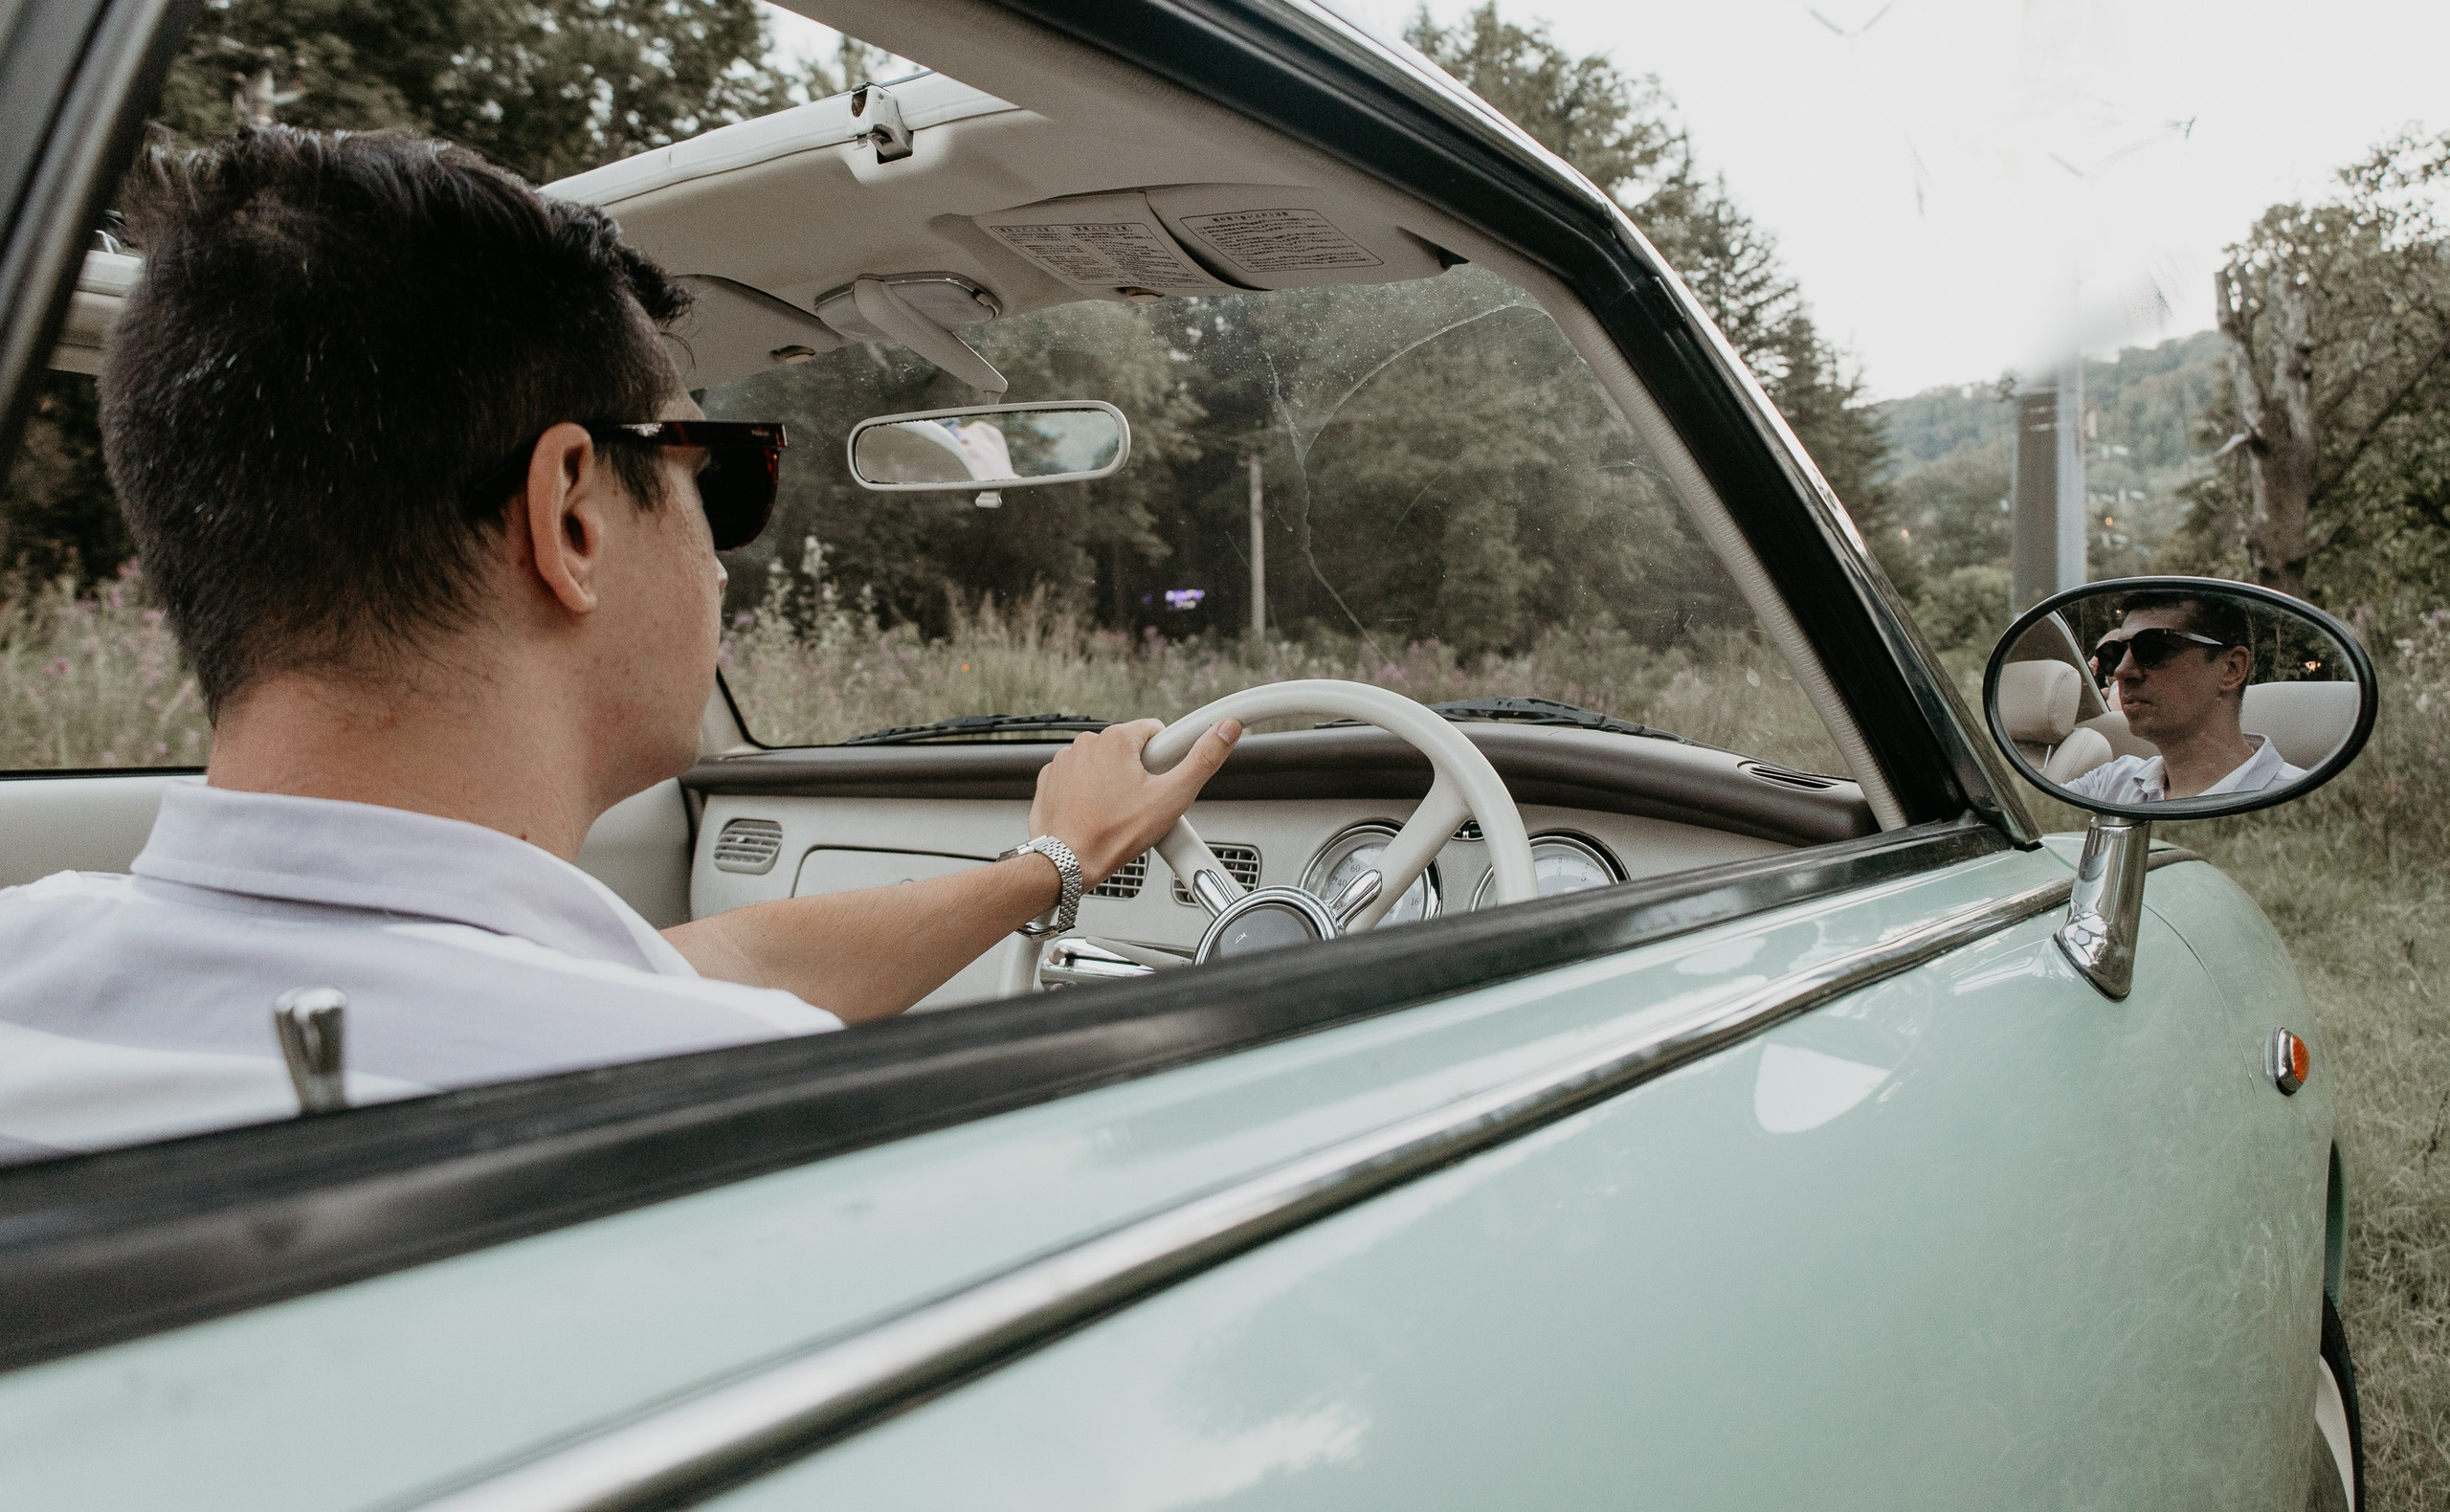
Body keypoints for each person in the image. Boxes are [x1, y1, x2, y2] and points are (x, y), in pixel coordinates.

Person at [0, 129, 1235, 1156]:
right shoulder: (732, 1111)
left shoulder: (35, 949)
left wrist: (1051, 865)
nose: (719, 551)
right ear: (574, 516)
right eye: (716, 474)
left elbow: (712, 958)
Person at [2062, 590, 2305, 804]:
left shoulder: (2301, 802)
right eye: (2113, 654)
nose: (2121, 671)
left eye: (2152, 647)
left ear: (2231, 669)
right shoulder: (2109, 784)